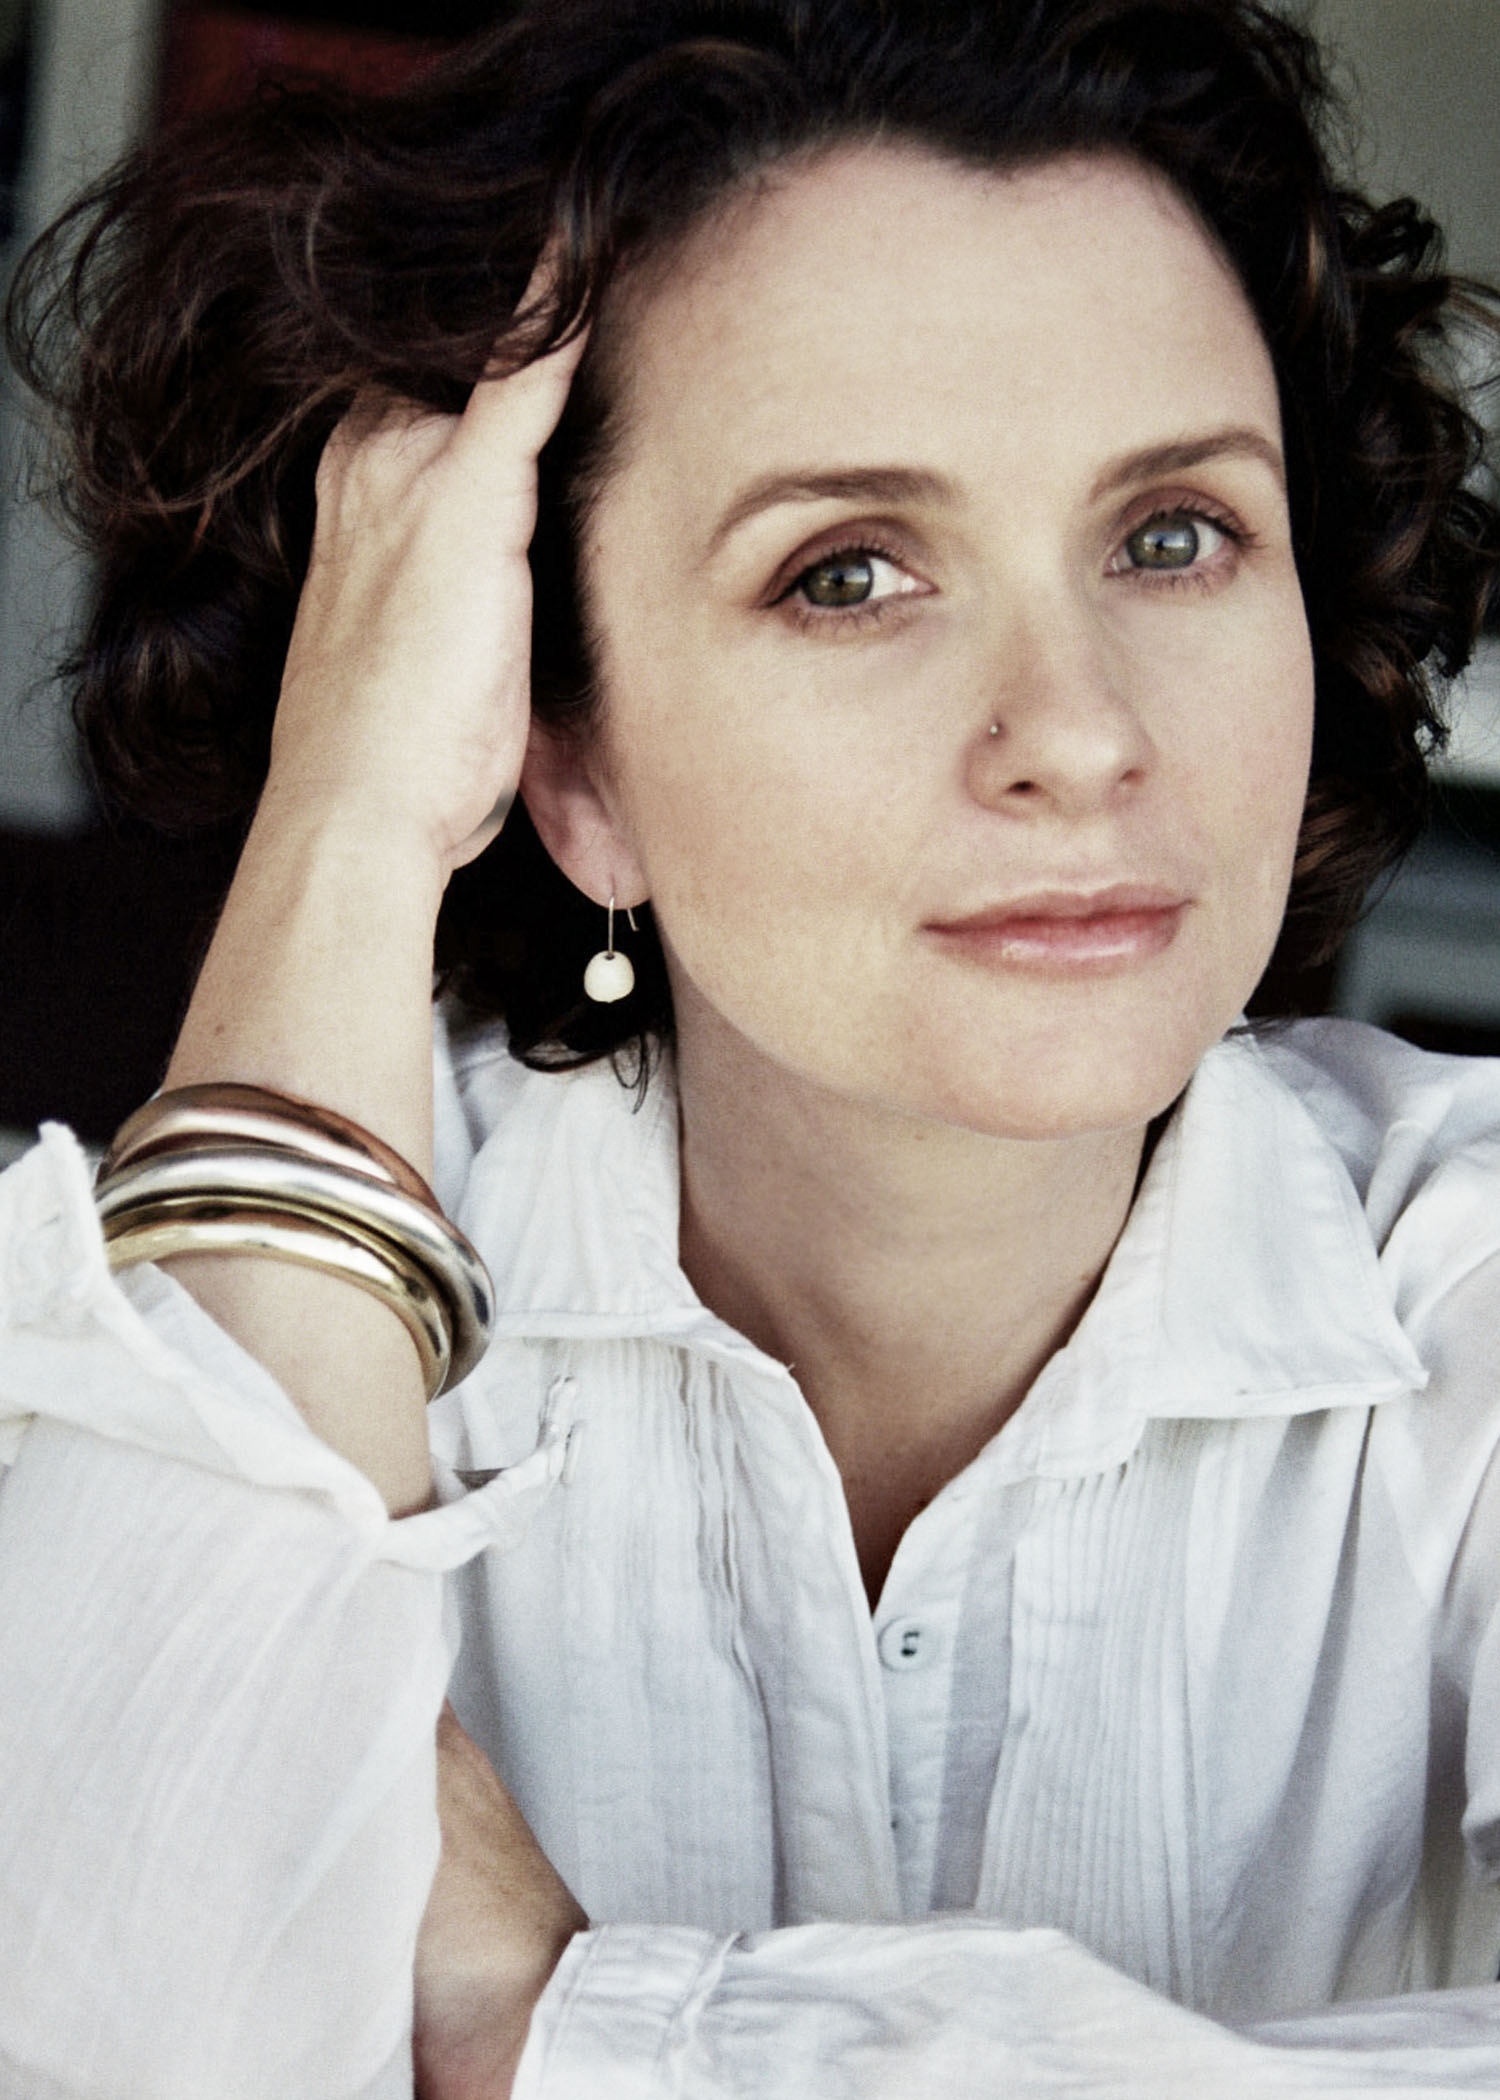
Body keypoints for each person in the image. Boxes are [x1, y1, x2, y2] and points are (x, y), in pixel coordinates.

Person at [3, 0, 1500, 2092]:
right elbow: (93, 2022)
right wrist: (344, 825)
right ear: (565, 747)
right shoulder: (173, 1320)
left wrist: (555, 2019)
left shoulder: (1469, 1280)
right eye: (851, 573)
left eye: (1174, 534)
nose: (1079, 730)